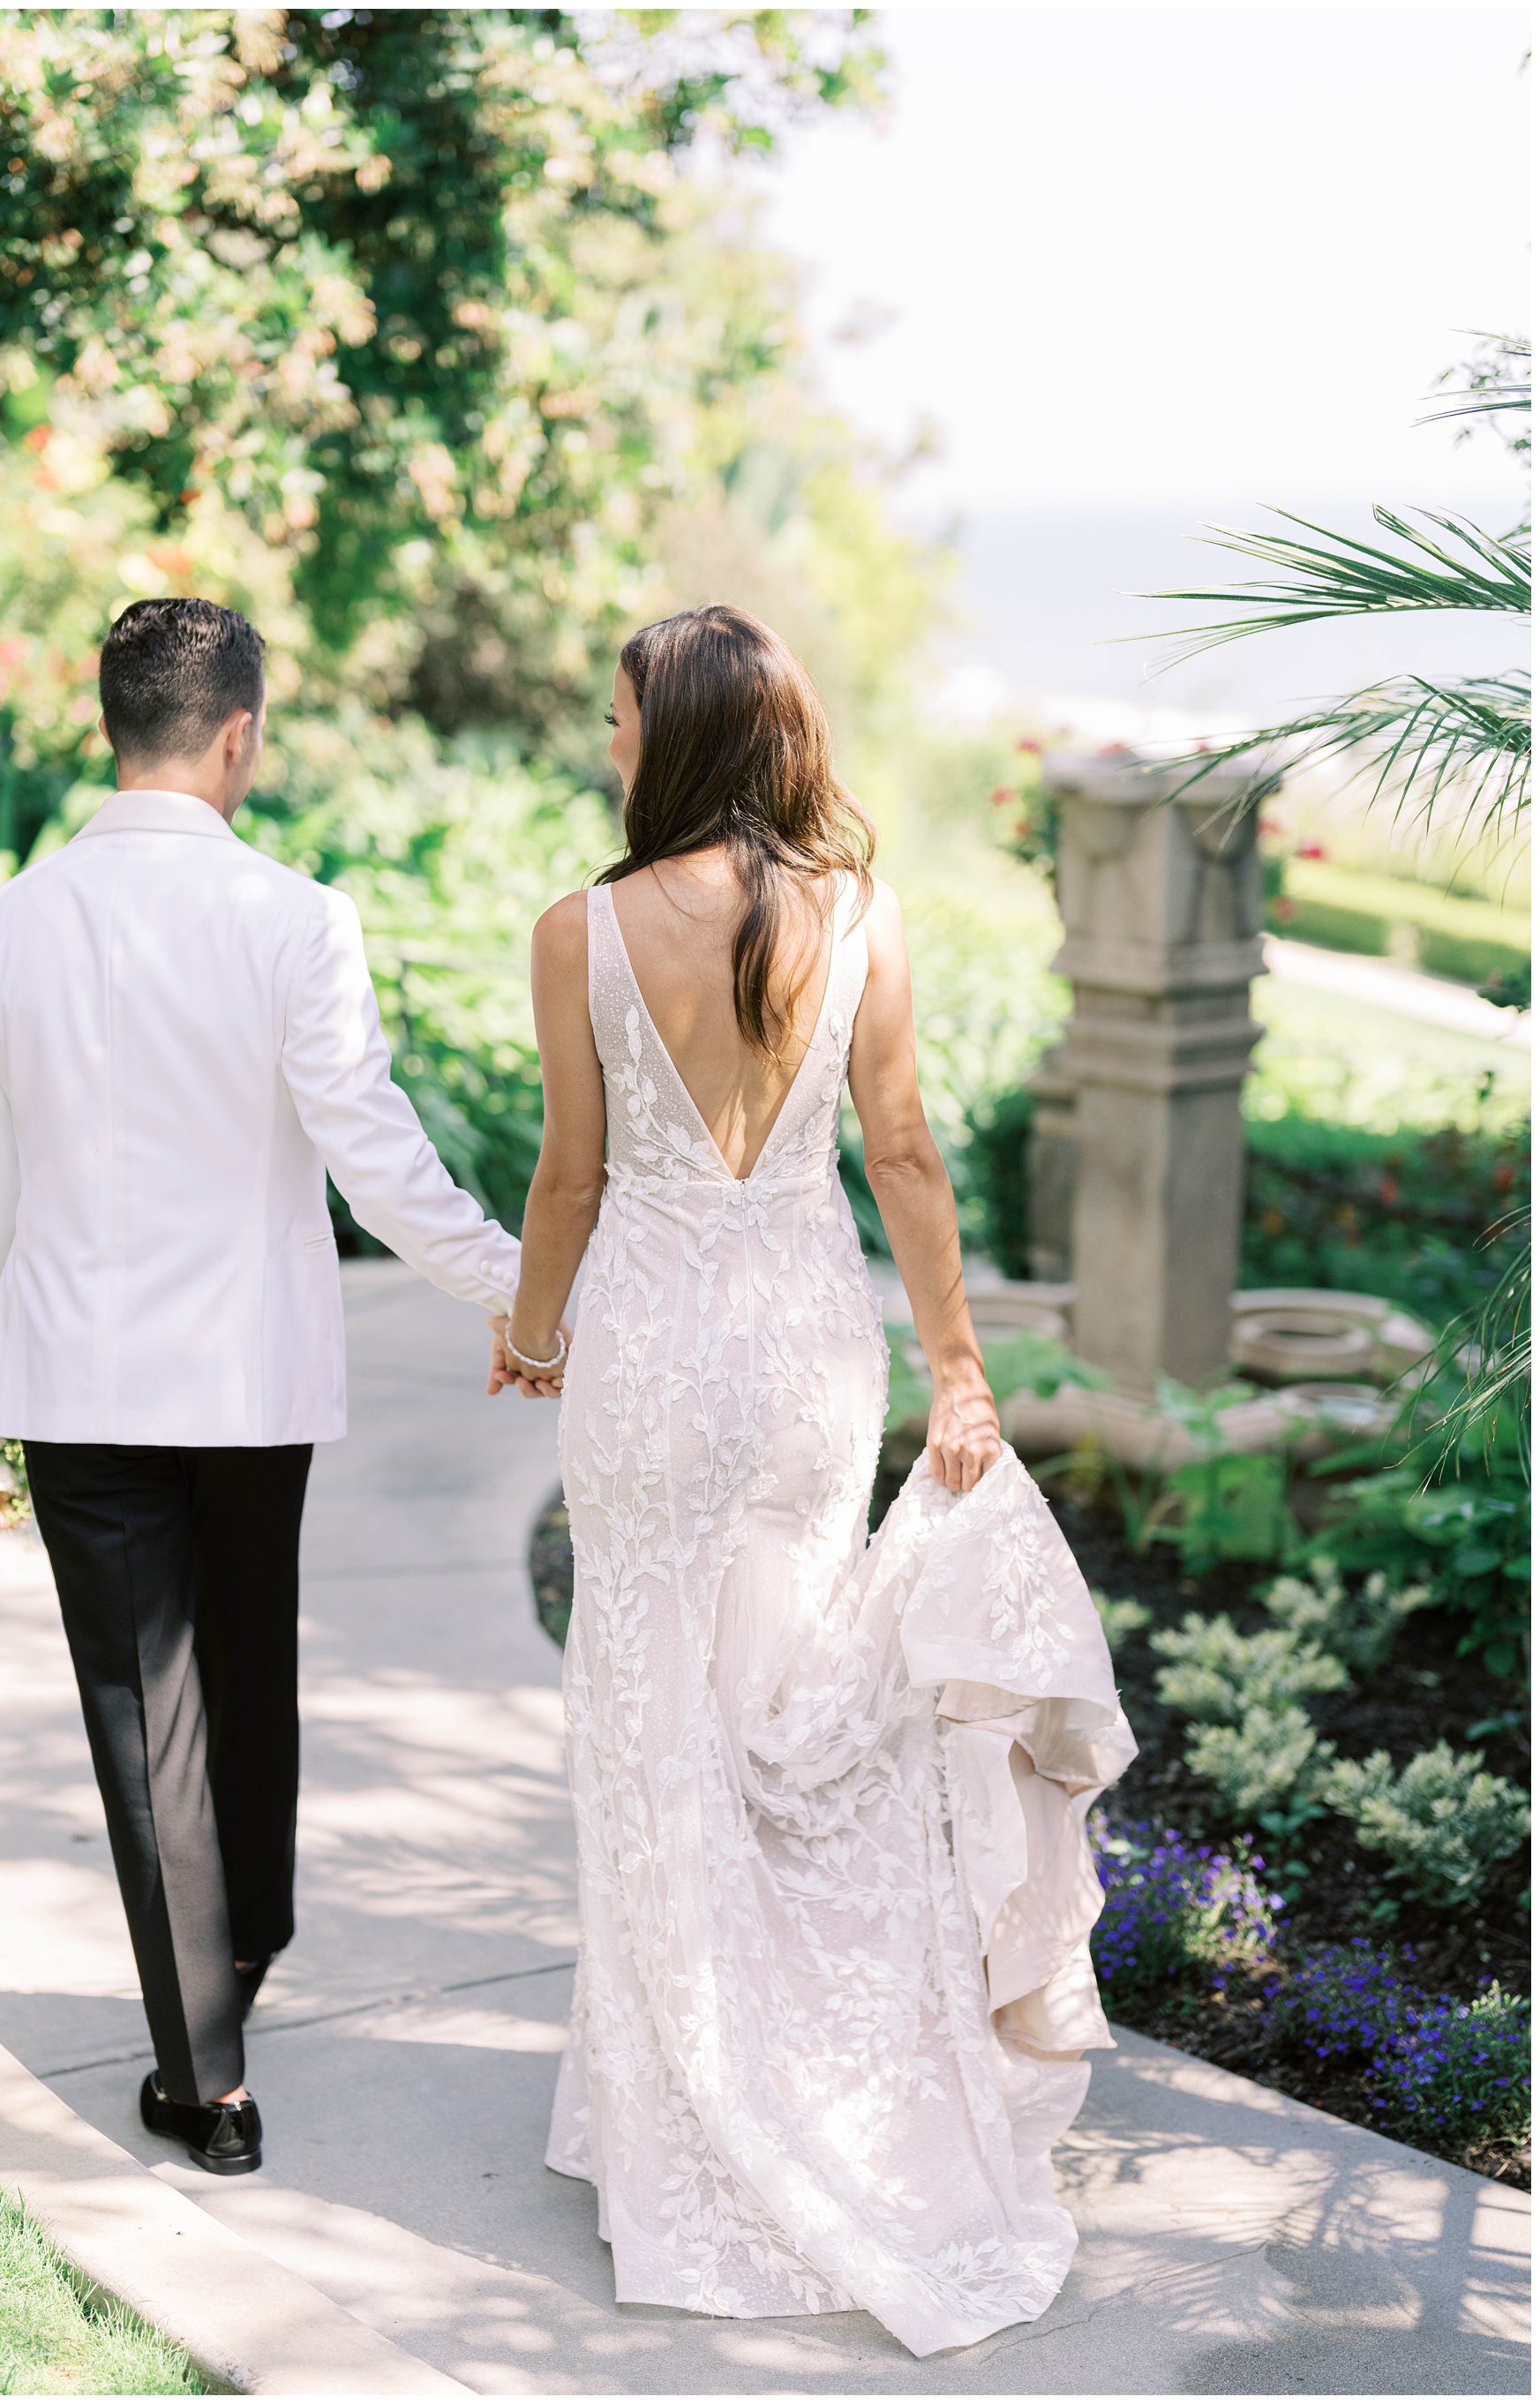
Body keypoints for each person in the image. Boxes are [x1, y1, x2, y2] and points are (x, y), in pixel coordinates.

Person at [494, 605, 1136, 2357]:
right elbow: (905, 1147)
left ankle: (679, 2111)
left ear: (680, 737)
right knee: (782, 1719)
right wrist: (957, 1369)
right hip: (800, 1354)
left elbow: (568, 1178)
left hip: (641, 1351)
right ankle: (812, 2085)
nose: (608, 741)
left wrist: (534, 1336)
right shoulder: (859, 915)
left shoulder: (580, 931)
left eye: (622, 717)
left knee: (649, 1714)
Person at [0, 597, 522, 2177]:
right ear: (240, 732)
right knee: (247, 1670)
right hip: (251, 1380)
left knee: (147, 1713)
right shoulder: (297, 917)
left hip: (77, 1383)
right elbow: (371, 1144)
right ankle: (231, 1996)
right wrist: (514, 1285)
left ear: (112, 726)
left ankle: (214, 2042)